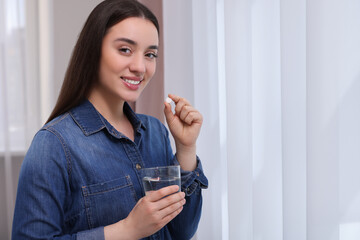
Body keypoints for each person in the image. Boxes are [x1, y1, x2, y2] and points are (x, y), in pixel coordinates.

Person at [11, 0, 208, 239]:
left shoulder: (157, 132)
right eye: (125, 49)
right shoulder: (53, 145)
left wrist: (186, 149)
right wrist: (128, 229)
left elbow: (181, 231)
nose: (140, 67)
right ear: (93, 51)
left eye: (150, 54)